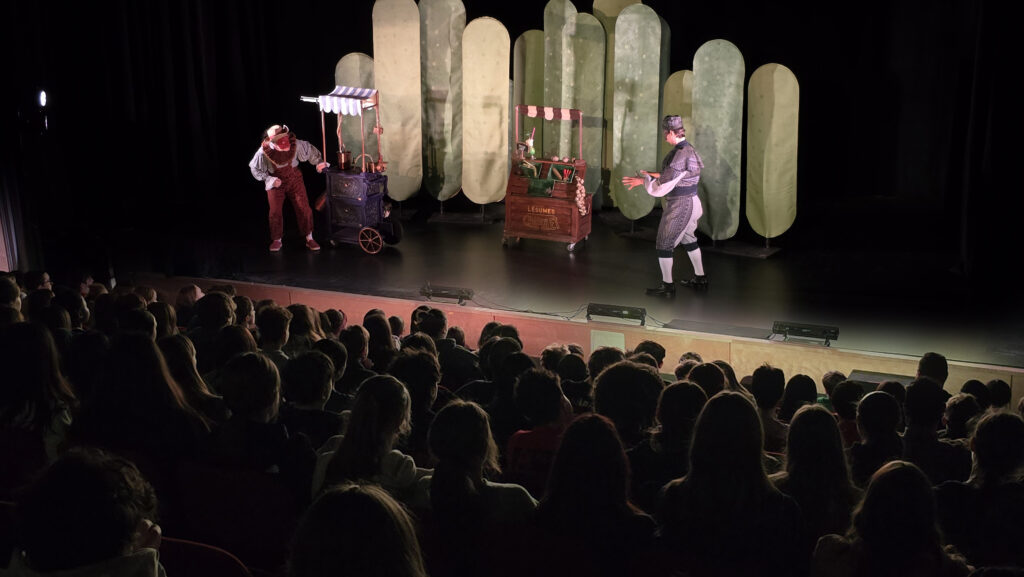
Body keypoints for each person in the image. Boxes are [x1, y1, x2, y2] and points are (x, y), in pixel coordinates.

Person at [621, 115, 706, 296]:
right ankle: (700, 278)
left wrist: (643, 180)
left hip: (681, 204)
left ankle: (668, 286)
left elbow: (661, 188)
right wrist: (650, 175)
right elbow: (676, 175)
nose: (665, 138)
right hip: (692, 201)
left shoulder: (679, 154)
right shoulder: (688, 149)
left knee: (664, 243)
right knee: (689, 238)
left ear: (671, 133)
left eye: (665, 134)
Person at [249, 124, 328, 252]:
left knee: (303, 207)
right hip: (276, 181)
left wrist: (319, 163)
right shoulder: (264, 151)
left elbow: (309, 151)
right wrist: (269, 179)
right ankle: (277, 239)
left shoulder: (294, 144)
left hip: (294, 178)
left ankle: (309, 237)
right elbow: (255, 168)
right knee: (275, 211)